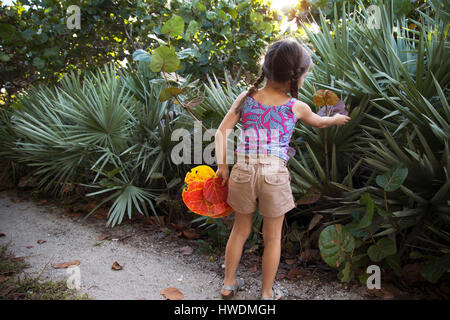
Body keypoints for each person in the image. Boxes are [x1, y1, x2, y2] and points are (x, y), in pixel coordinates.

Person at [214, 38, 351, 300]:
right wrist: (335, 119)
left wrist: (223, 167)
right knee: (273, 237)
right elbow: (320, 123)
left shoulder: (247, 97)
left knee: (240, 230)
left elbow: (222, 132)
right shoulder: (296, 106)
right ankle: (267, 293)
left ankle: (228, 284)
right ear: (296, 77)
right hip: (273, 173)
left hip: (243, 169)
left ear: (266, 68)